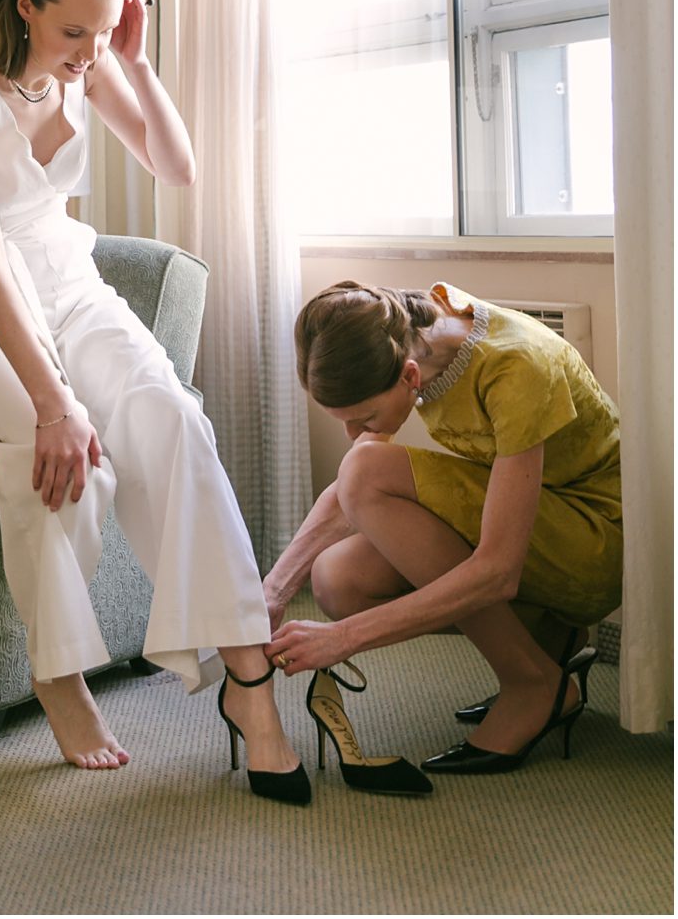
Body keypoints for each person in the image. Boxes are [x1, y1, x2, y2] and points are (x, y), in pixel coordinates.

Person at [0, 0, 305, 801]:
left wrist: (135, 58)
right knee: (49, 443)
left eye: (103, 27)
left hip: (74, 290)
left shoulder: (91, 69)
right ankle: (59, 672)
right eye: (72, 30)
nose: (87, 49)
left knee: (173, 418)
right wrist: (56, 402)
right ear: (24, 5)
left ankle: (250, 686)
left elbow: (177, 163)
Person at [265, 279, 621, 773]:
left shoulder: (515, 368)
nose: (353, 433)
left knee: (366, 471)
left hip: (595, 541)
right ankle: (544, 637)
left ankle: (533, 684)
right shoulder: (411, 330)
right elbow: (347, 495)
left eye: (362, 417)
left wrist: (343, 639)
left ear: (410, 376)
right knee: (338, 578)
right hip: (540, 519)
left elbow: (498, 570)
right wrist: (275, 591)